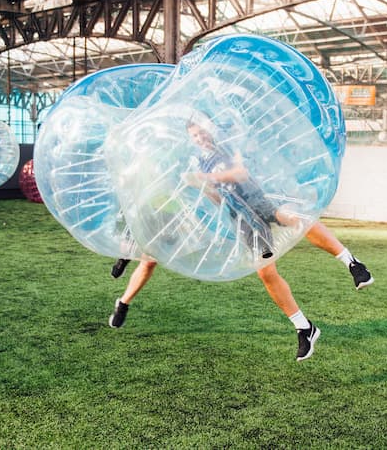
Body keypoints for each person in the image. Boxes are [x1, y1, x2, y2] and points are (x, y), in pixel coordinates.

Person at [107, 116, 373, 362]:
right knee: (267, 274)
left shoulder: (230, 146)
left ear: (209, 130)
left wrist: (205, 177)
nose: (201, 139)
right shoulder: (200, 162)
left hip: (263, 201)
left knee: (296, 218)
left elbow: (241, 173)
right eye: (195, 137)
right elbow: (219, 197)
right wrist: (203, 187)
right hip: (244, 220)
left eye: (202, 133)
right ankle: (304, 327)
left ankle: (353, 264)